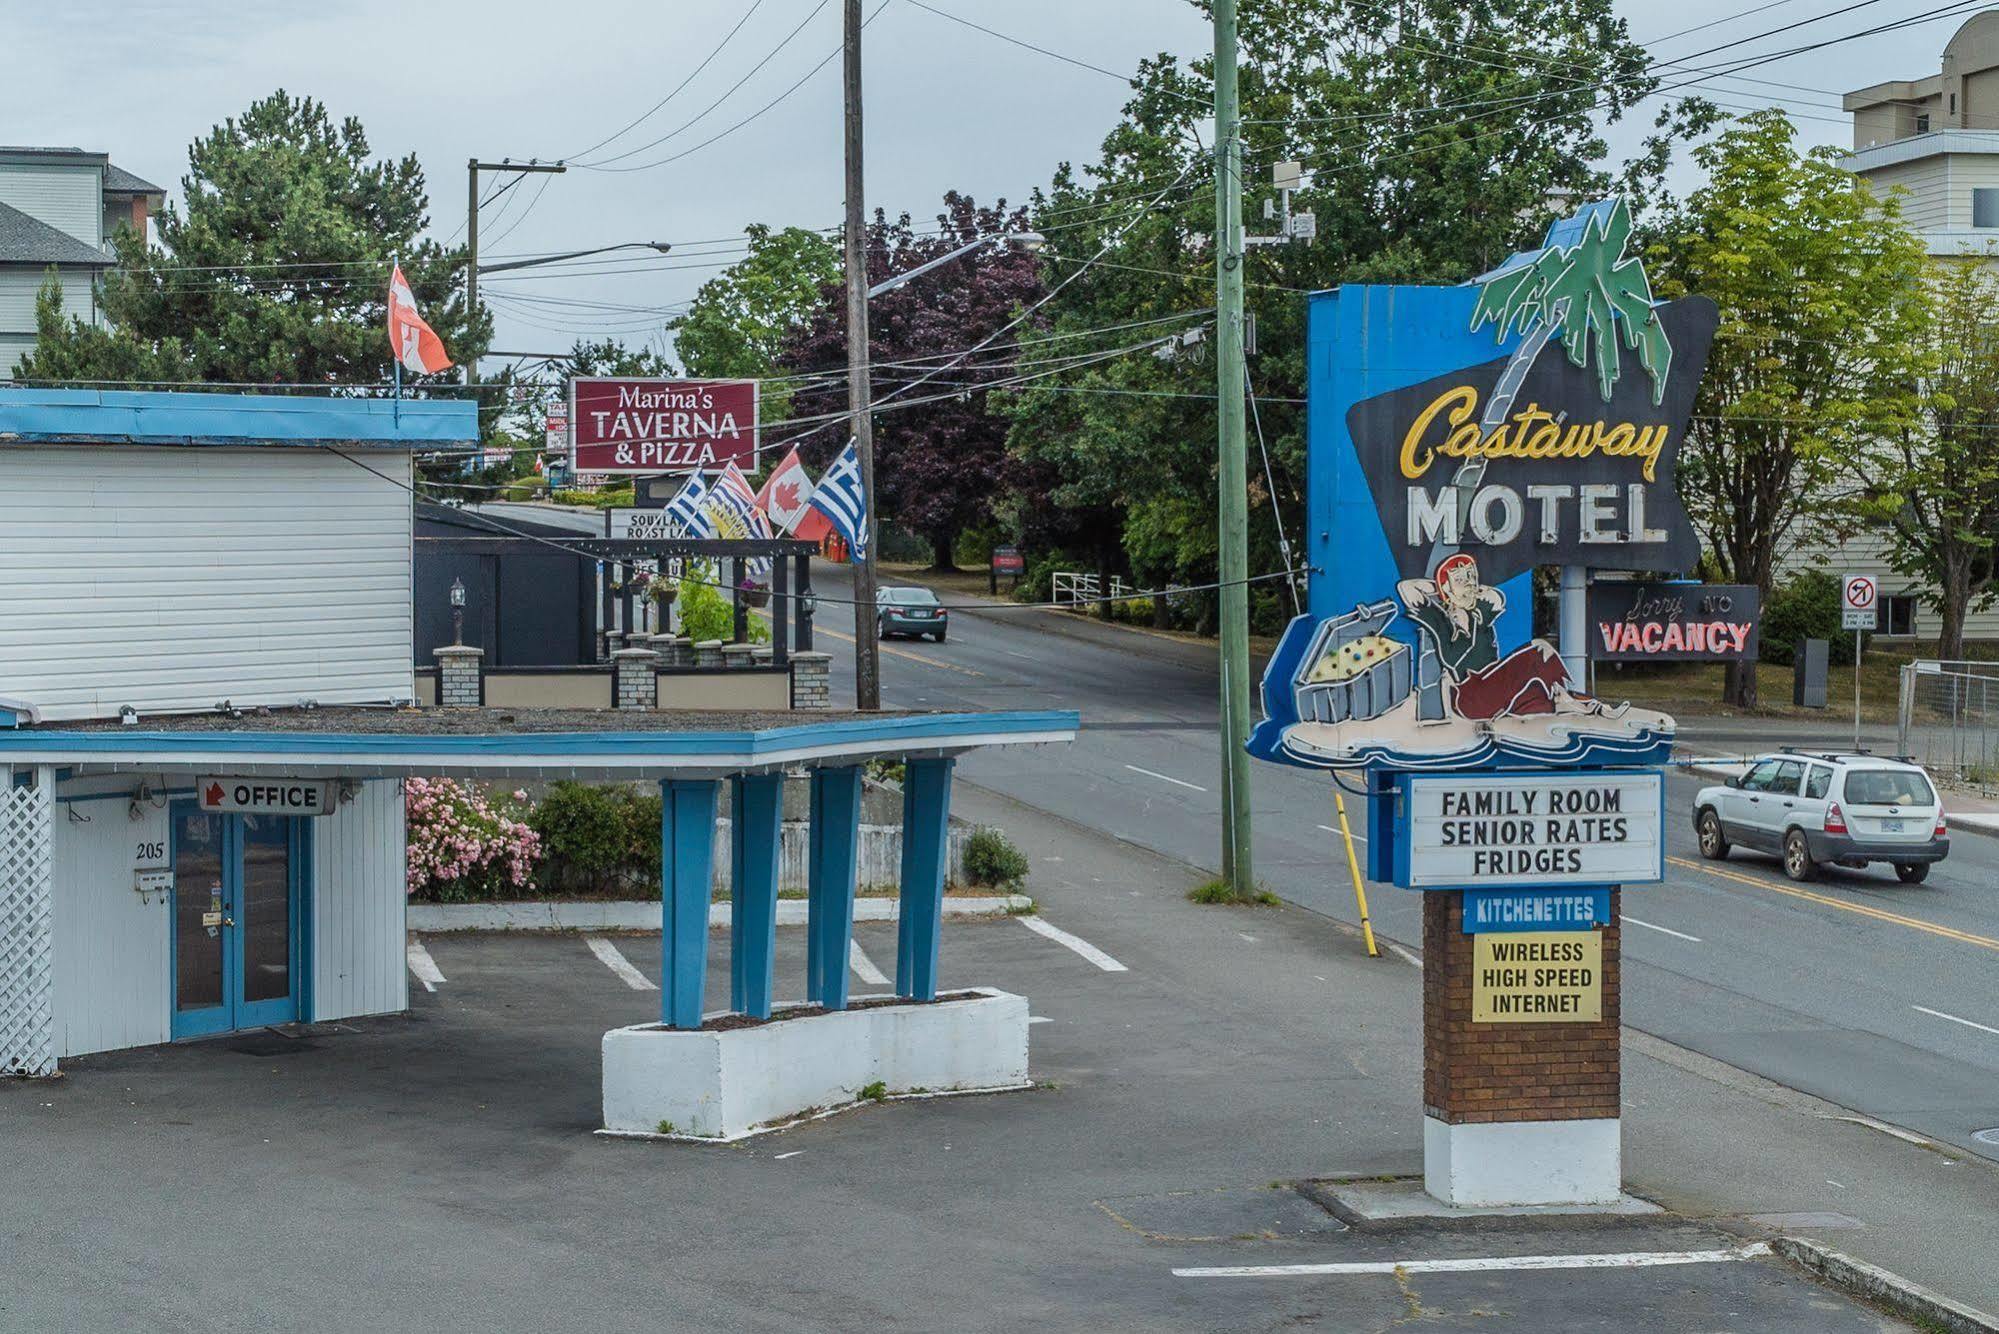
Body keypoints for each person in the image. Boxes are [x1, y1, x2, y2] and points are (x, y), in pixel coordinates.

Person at [1396, 554, 1620, 721]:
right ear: (1447, 589)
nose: (1471, 585)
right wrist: (1441, 588)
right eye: (1463, 580)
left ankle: (1591, 708)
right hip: (1470, 697)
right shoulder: (1440, 622)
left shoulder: (1480, 614)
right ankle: (1566, 700)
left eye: (1472, 578)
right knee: (1538, 650)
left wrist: (1465, 590)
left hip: (1497, 689)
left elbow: (1496, 597)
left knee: (1536, 697)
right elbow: (1407, 589)